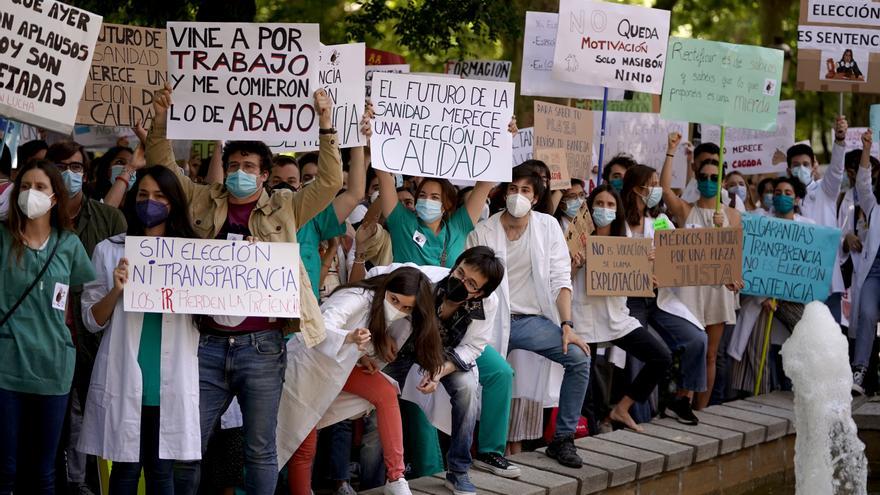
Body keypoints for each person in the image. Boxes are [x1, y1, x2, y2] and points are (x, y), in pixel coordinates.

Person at [145, 85, 343, 493]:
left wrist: (326, 124)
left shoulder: (287, 206)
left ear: (265, 174)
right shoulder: (201, 199)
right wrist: (161, 119)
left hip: (263, 345)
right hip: (206, 343)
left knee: (260, 449)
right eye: (234, 164)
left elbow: (329, 181)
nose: (240, 172)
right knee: (188, 446)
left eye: (250, 166)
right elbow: (161, 164)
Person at [78, 167, 201, 493]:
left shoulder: (194, 255)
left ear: (174, 202)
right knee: (125, 472)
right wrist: (117, 289)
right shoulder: (109, 250)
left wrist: (247, 256)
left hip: (169, 382)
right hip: (124, 377)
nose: (151, 202)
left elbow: (218, 308)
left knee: (162, 475)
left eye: (160, 196)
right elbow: (91, 319)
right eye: (144, 195)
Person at [467, 163, 591, 468]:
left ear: (536, 198)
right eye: (512, 189)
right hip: (490, 322)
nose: (517, 196)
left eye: (525, 191)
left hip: (530, 322)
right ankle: (474, 446)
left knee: (578, 357)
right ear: (503, 192)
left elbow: (561, 279)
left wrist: (566, 324)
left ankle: (562, 439)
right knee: (477, 379)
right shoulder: (484, 230)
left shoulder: (548, 227)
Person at [281, 266, 442, 495]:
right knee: (304, 441)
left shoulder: (396, 310)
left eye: (406, 307)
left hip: (342, 367)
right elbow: (321, 326)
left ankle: (396, 478)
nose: (398, 309)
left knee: (386, 392)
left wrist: (364, 353)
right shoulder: (355, 297)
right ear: (386, 287)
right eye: (394, 300)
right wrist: (349, 337)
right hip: (309, 368)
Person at [0, 160, 96, 493]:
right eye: (24, 186)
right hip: (6, 366)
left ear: (55, 198)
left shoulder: (68, 245)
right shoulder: (2, 239)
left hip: (54, 369)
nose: (31, 194)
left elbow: (86, 300)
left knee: (43, 470)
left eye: (40, 187)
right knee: (5, 469)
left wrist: (118, 286)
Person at [46, 141, 128, 495]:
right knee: (53, 425)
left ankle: (82, 484)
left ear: (87, 174)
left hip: (94, 338)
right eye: (61, 166)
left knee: (89, 420)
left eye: (76, 167)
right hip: (46, 340)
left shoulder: (110, 219)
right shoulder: (34, 217)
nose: (69, 174)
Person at [571, 184, 672, 431]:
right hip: (583, 317)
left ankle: (622, 408)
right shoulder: (575, 238)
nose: (604, 209)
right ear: (588, 206)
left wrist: (646, 274)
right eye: (599, 203)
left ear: (618, 211)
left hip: (616, 317)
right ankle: (591, 430)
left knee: (661, 357)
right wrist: (575, 263)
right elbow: (562, 280)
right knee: (587, 383)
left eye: (610, 205)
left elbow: (636, 282)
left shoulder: (626, 243)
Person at [619, 163, 706, 424]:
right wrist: (640, 267)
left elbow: (679, 259)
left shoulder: (660, 220)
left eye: (658, 183)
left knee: (697, 339)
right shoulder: (618, 223)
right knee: (640, 356)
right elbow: (609, 261)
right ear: (636, 188)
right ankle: (638, 416)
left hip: (658, 299)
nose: (657, 189)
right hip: (628, 301)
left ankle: (680, 400)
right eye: (652, 184)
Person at [662, 132, 742, 410]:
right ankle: (683, 400)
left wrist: (724, 230)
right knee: (689, 350)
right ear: (697, 178)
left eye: (714, 177)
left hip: (717, 291)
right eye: (704, 177)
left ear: (721, 180)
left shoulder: (732, 215)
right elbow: (664, 191)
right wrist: (670, 152)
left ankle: (702, 411)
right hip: (690, 291)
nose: (709, 181)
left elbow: (735, 258)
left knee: (710, 354)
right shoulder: (686, 211)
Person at [729, 177, 814, 395]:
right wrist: (762, 298)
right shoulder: (760, 223)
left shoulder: (809, 228)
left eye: (788, 193)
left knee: (797, 360)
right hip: (763, 306)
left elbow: (811, 269)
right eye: (777, 192)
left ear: (796, 199)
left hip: (794, 304)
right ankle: (761, 401)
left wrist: (787, 294)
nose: (782, 196)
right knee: (762, 364)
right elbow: (750, 264)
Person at [786, 117, 848, 322]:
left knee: (829, 340)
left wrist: (839, 140)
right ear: (788, 170)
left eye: (805, 164)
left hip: (827, 279)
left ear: (814, 166)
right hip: (796, 280)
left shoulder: (826, 190)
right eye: (795, 165)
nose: (801, 168)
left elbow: (837, 170)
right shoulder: (783, 197)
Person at [849, 130, 880, 395]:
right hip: (874, 273)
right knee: (867, 314)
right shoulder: (873, 207)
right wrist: (867, 149)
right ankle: (859, 371)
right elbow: (862, 183)